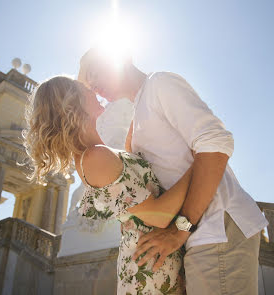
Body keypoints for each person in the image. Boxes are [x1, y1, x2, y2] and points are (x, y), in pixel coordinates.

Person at [77, 47, 270, 295]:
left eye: (94, 71)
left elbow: (215, 143)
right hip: (197, 234)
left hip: (217, 226)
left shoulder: (160, 83)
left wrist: (180, 229)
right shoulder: (137, 118)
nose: (92, 83)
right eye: (88, 82)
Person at [22, 75, 189, 294]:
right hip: (154, 270)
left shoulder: (98, 153)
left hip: (155, 258)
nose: (92, 91)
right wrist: (199, 161)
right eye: (85, 89)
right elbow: (160, 214)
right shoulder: (94, 157)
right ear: (74, 102)